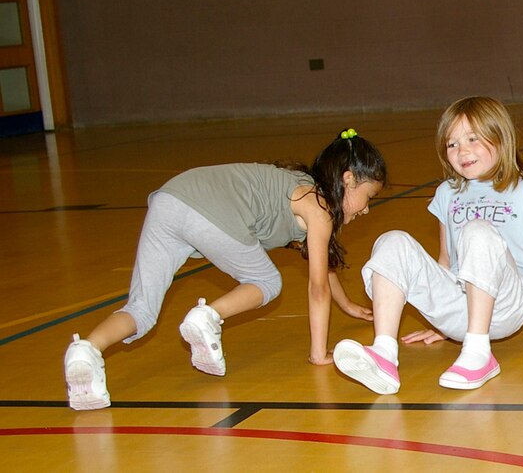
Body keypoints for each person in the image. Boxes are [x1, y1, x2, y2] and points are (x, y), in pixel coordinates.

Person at [63, 128, 387, 410]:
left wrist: (345, 304)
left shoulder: (305, 191)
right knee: (266, 280)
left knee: (142, 312)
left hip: (170, 199)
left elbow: (322, 265)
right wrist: (318, 354)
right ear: (348, 180)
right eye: (368, 196)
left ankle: (86, 350)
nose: (368, 208)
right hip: (206, 209)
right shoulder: (318, 207)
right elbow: (317, 287)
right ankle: (208, 316)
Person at [332, 96, 523, 395]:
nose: (462, 150)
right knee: (392, 240)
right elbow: (445, 261)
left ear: (501, 140)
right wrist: (440, 320)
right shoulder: (446, 193)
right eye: (452, 144)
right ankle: (384, 353)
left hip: (506, 306)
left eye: (473, 139)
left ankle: (480, 352)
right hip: (460, 302)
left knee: (477, 231)